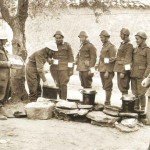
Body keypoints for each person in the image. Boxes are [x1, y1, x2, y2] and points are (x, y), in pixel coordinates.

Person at [50, 31, 74, 100]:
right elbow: (48, 56)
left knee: (63, 84)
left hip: (64, 68)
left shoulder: (67, 45)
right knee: (57, 84)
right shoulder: (52, 46)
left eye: (59, 38)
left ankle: (63, 100)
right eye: (56, 38)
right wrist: (49, 60)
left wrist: (70, 70)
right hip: (54, 69)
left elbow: (71, 58)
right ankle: (60, 99)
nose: (58, 39)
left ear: (62, 38)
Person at [131, 32, 150, 113]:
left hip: (142, 75)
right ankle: (136, 109)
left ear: (143, 39)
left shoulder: (147, 50)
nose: (136, 41)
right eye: (136, 39)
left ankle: (142, 111)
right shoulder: (135, 49)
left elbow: (149, 64)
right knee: (135, 93)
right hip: (133, 74)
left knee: (141, 94)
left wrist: (145, 76)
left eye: (138, 39)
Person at [98, 30, 116, 106]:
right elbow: (102, 58)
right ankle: (107, 102)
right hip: (102, 69)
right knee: (105, 86)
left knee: (108, 86)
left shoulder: (111, 47)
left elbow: (112, 60)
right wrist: (97, 65)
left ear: (107, 37)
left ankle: (107, 103)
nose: (101, 39)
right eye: (100, 37)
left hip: (107, 70)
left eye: (102, 37)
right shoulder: (104, 46)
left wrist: (108, 71)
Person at [114, 28, 133, 96]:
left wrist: (123, 71)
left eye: (121, 34)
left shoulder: (129, 45)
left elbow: (128, 60)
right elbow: (120, 56)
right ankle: (124, 104)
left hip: (123, 70)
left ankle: (125, 104)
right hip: (119, 68)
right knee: (120, 86)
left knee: (124, 87)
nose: (120, 35)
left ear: (125, 35)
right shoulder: (123, 44)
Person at [0, 37, 11, 104]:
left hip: (6, 74)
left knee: (5, 89)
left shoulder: (3, 49)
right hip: (1, 73)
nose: (6, 41)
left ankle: (2, 103)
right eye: (5, 40)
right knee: (1, 89)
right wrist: (6, 64)